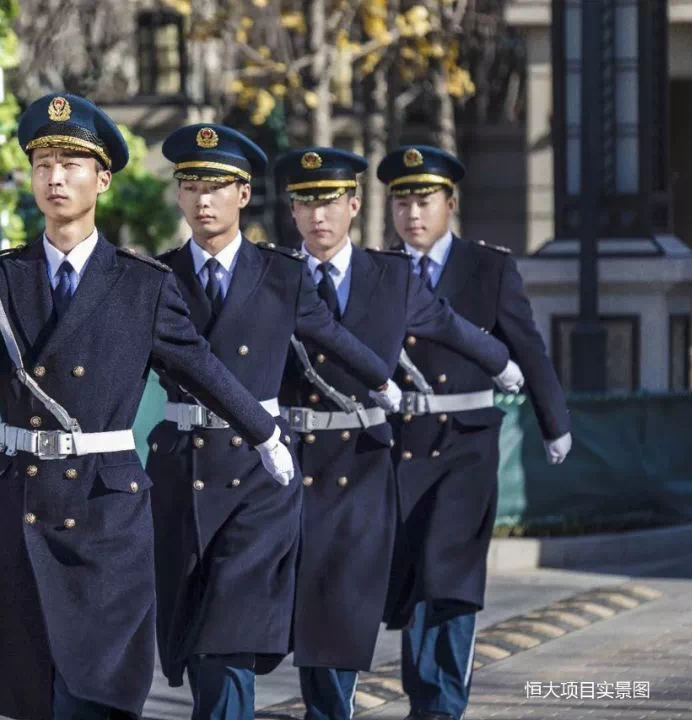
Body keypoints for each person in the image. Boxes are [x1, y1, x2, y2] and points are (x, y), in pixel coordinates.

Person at [0, 94, 296, 720]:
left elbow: (201, 367)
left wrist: (263, 433)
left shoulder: (143, 284)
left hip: (103, 507)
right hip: (17, 495)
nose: (54, 177)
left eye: (71, 164)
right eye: (43, 163)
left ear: (102, 179)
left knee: (94, 687)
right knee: (25, 682)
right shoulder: (1, 276)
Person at [144, 124, 403, 720]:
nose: (203, 200)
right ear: (179, 196)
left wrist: (381, 379)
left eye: (217, 187)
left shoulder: (283, 274)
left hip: (258, 472)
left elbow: (327, 334)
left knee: (231, 626)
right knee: (192, 624)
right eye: (191, 186)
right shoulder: (155, 278)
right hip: (182, 465)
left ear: (243, 194)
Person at [272, 147, 522, 720]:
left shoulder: (390, 274)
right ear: (291, 211)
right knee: (309, 600)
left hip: (363, 459)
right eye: (306, 203)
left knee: (340, 599)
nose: (319, 216)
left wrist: (503, 362)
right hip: (294, 456)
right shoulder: (274, 272)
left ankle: (338, 710)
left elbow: (444, 323)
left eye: (331, 201)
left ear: (355, 205)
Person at [376, 145, 572, 720]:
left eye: (425, 200)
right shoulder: (378, 270)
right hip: (401, 440)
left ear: (450, 204)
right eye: (403, 201)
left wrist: (553, 420)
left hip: (466, 441)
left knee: (451, 573)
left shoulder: (489, 267)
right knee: (413, 576)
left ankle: (444, 702)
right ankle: (423, 695)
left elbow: (526, 345)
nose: (413, 213)